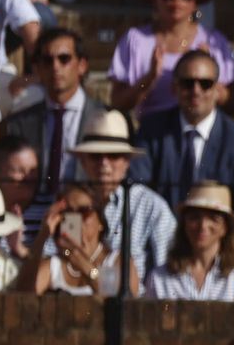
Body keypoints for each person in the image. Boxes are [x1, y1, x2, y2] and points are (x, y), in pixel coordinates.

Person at [130, 50, 234, 226]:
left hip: (220, 241)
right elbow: (138, 190)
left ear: (217, 90)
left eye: (205, 84)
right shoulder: (152, 130)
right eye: (187, 83)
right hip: (161, 238)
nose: (196, 91)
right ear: (174, 88)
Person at [107, 0, 234, 122]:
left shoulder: (214, 41)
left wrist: (210, 78)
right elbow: (118, 103)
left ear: (195, 2)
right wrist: (148, 79)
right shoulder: (135, 40)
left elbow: (233, 105)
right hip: (152, 135)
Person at [63, 112, 176, 282]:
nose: (104, 164)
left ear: (127, 162)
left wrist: (84, 265)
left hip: (134, 305)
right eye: (96, 156)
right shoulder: (68, 203)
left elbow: (167, 273)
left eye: (113, 156)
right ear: (83, 161)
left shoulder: (151, 206)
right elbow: (54, 259)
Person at [1, 27, 106, 201]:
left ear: (82, 65)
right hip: (31, 213)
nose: (55, 67)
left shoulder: (104, 117)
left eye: (64, 59)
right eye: (47, 60)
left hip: (88, 212)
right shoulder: (19, 123)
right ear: (38, 68)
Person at [148, 183, 234, 301]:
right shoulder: (160, 278)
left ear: (225, 228)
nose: (203, 226)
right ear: (184, 224)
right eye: (195, 217)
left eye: (213, 219)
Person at [25, 183, 134, 297]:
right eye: (68, 212)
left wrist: (85, 265)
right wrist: (43, 234)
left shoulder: (117, 261)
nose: (77, 218)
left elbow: (123, 305)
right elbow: (23, 299)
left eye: (85, 211)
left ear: (100, 221)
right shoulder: (54, 265)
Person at [0, 133, 37, 253]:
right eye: (19, 171)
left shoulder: (48, 210)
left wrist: (20, 250)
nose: (28, 177)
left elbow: (54, 266)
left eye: (33, 171)